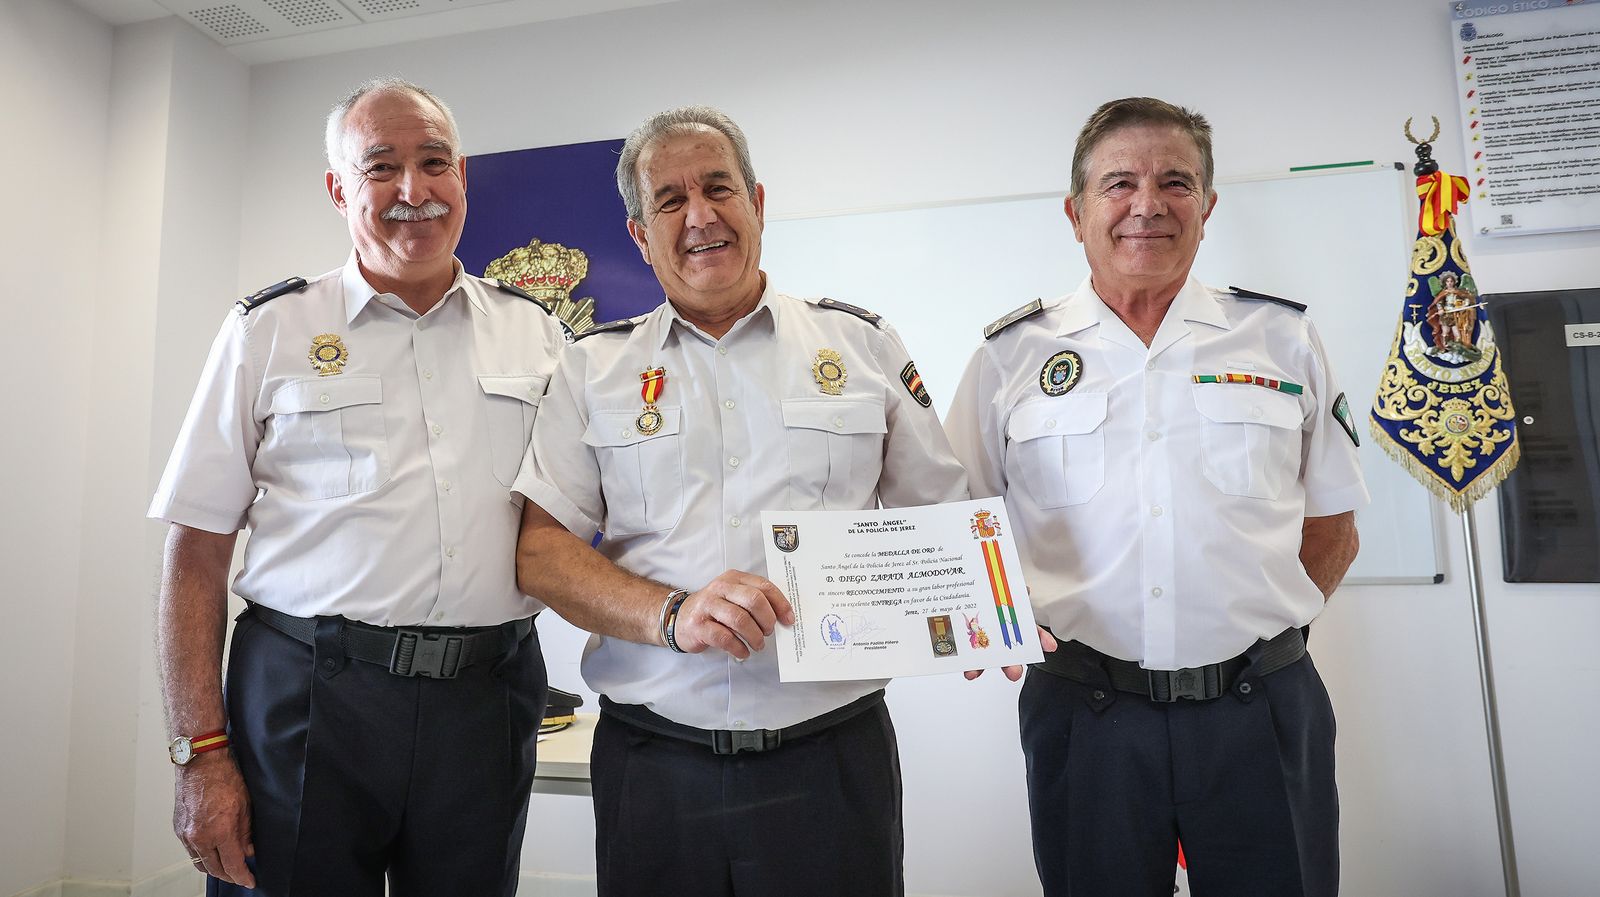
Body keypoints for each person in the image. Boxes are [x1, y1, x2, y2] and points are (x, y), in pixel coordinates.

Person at [512, 105, 968, 897]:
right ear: (639, 234)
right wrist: (670, 613)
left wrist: (980, 608)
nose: (701, 215)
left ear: (758, 201)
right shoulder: (592, 370)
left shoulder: (861, 345)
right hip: (655, 766)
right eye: (670, 199)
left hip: (831, 759)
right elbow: (541, 552)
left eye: (719, 187)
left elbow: (944, 521)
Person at [148, 78, 568, 896]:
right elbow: (196, 550)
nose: (413, 190)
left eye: (433, 162)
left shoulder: (538, 333)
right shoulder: (269, 329)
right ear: (340, 189)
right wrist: (197, 756)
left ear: (463, 178)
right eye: (381, 168)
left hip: (484, 700)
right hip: (309, 697)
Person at [945, 97, 1366, 897]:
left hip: (1262, 710)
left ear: (1207, 206)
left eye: (1176, 181)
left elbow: (1334, 521)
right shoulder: (1011, 357)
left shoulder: (1280, 338)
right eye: (1119, 183)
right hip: (1086, 713)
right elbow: (954, 519)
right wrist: (987, 620)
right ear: (1076, 213)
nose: (1148, 203)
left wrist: (1259, 626)